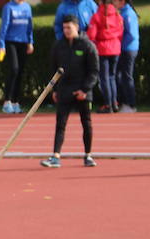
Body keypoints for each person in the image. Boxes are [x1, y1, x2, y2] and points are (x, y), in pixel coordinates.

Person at [41, 14, 99, 168]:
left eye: (69, 27)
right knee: (60, 124)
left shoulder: (87, 45)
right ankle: (55, 156)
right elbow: (53, 69)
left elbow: (94, 71)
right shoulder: (58, 46)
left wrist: (85, 89)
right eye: (64, 28)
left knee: (86, 123)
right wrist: (55, 89)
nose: (66, 30)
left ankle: (88, 155)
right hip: (64, 90)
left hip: (83, 91)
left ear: (77, 27)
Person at [0, 0, 34, 114]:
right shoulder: (8, 7)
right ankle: (7, 102)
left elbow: (29, 25)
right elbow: (4, 26)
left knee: (20, 72)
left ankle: (15, 102)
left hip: (23, 43)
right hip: (10, 42)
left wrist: (30, 42)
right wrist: (2, 45)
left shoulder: (27, 7)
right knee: (14, 69)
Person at [88, 0, 124, 113]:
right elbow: (121, 32)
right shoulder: (118, 15)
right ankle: (114, 103)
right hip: (115, 48)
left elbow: (91, 35)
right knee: (112, 76)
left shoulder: (96, 16)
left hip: (102, 48)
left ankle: (108, 104)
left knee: (104, 77)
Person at [116, 0, 139, 113]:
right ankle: (124, 102)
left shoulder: (128, 13)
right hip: (126, 48)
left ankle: (131, 104)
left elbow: (131, 34)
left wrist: (119, 44)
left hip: (128, 49)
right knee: (121, 76)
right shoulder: (123, 12)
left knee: (126, 76)